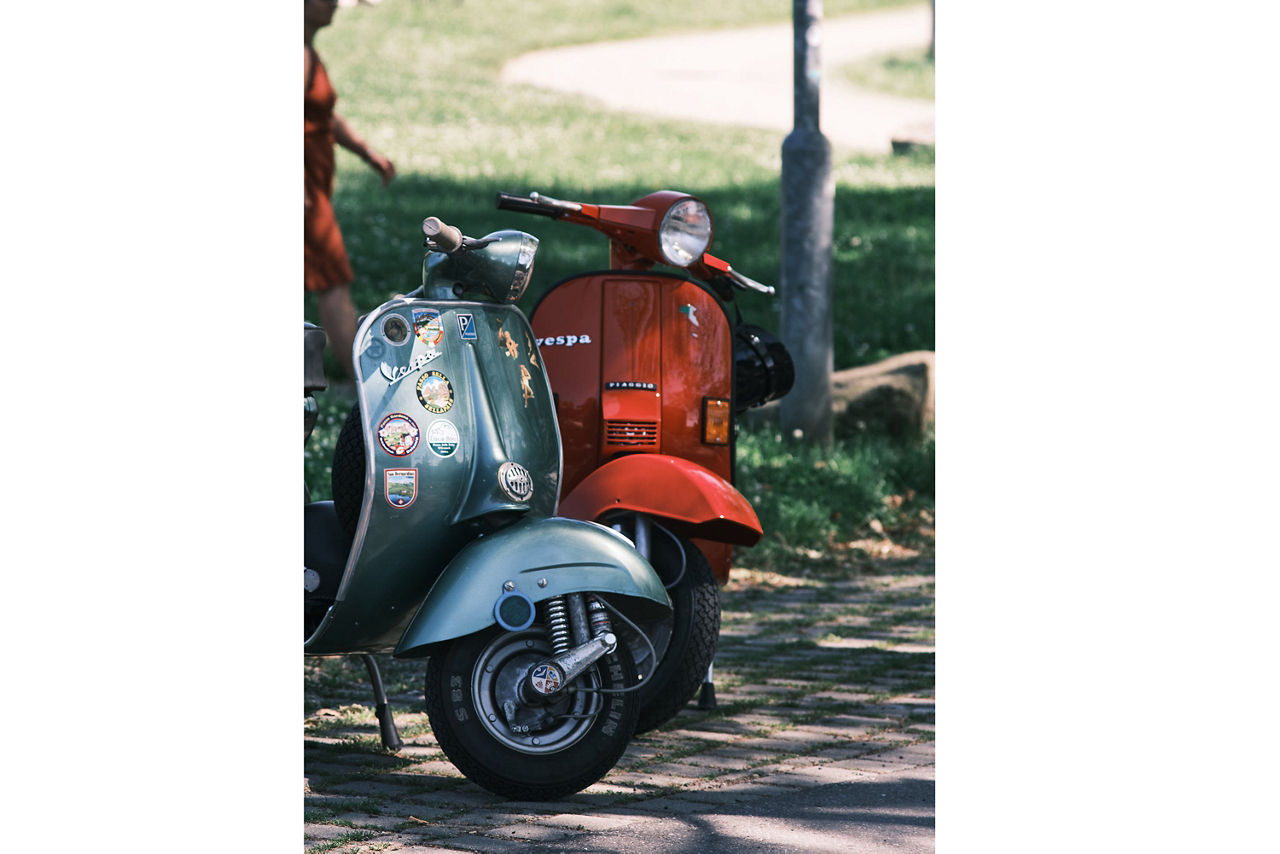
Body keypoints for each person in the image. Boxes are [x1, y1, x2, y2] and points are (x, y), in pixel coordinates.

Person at [305, 0, 395, 378]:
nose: (334, 3)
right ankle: (355, 383)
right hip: (304, 192)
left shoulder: (305, 50)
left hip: (313, 186)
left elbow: (322, 114)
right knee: (333, 281)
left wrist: (365, 151)